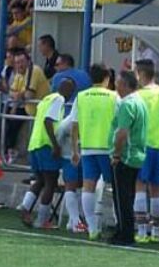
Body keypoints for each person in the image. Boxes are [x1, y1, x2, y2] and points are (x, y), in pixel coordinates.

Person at [60, 64, 119, 239]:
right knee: (115, 187)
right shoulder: (114, 97)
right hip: (108, 148)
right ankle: (119, 223)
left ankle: (93, 228)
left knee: (88, 187)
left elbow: (74, 124)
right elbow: (121, 122)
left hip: (87, 148)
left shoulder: (82, 96)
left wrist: (75, 149)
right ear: (107, 78)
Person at [18, 78, 77, 228]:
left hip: (35, 143)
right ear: (68, 90)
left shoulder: (46, 99)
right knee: (51, 181)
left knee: (40, 180)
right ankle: (42, 220)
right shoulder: (59, 99)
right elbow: (48, 121)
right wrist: (56, 145)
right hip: (46, 144)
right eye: (71, 91)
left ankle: (25, 207)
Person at [131, 60, 159, 242]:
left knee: (139, 185)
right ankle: (155, 232)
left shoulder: (139, 95)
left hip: (142, 145)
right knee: (156, 189)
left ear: (140, 73)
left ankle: (141, 231)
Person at [110, 70, 149, 246]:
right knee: (128, 195)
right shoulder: (141, 102)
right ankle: (125, 231)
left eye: (118, 82)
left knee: (121, 196)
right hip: (138, 154)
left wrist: (117, 154)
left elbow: (122, 133)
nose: (115, 86)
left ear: (125, 85)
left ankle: (124, 233)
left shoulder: (127, 104)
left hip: (126, 156)